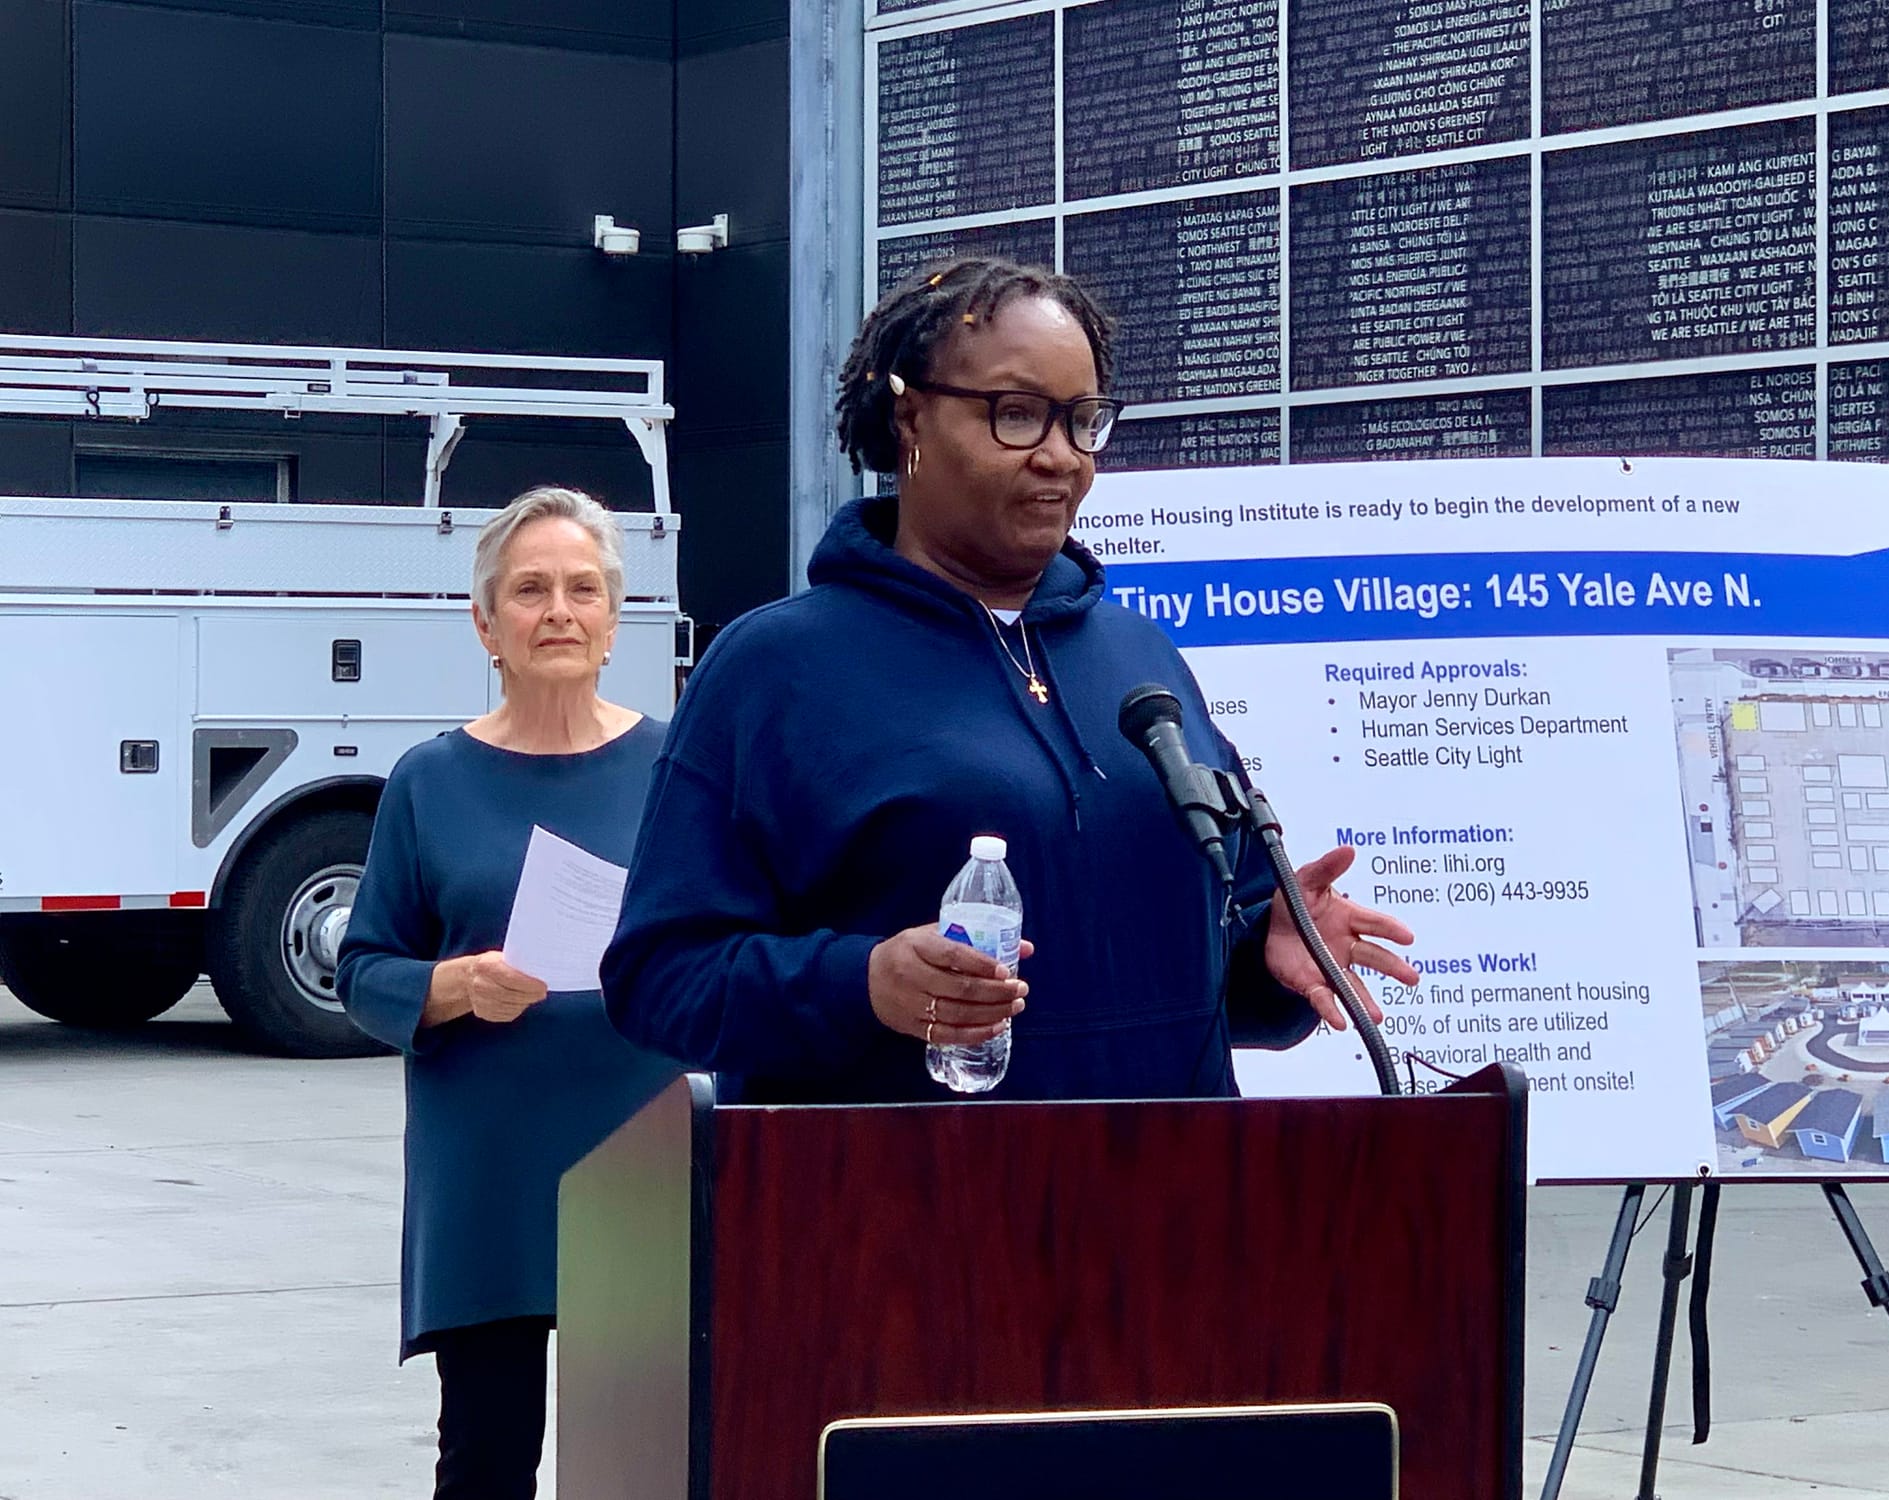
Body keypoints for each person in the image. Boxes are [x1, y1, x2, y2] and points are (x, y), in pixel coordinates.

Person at [602, 257, 1418, 1104]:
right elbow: (659, 980)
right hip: (896, 1184)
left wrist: (1268, 956)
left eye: (1083, 420)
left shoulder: (1142, 658)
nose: (1060, 457)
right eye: (1017, 415)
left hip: (1172, 1176)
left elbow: (1180, 978)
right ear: (910, 416)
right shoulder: (774, 669)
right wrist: (863, 983)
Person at [336, 486, 679, 1500]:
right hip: (490, 1173)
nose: (558, 612)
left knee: (650, 1459)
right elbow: (362, 970)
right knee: (485, 1460)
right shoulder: (429, 780)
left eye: (582, 590)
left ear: (613, 620)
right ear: (487, 625)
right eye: (530, 591)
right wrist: (452, 985)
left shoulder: (677, 769)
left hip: (644, 1158)